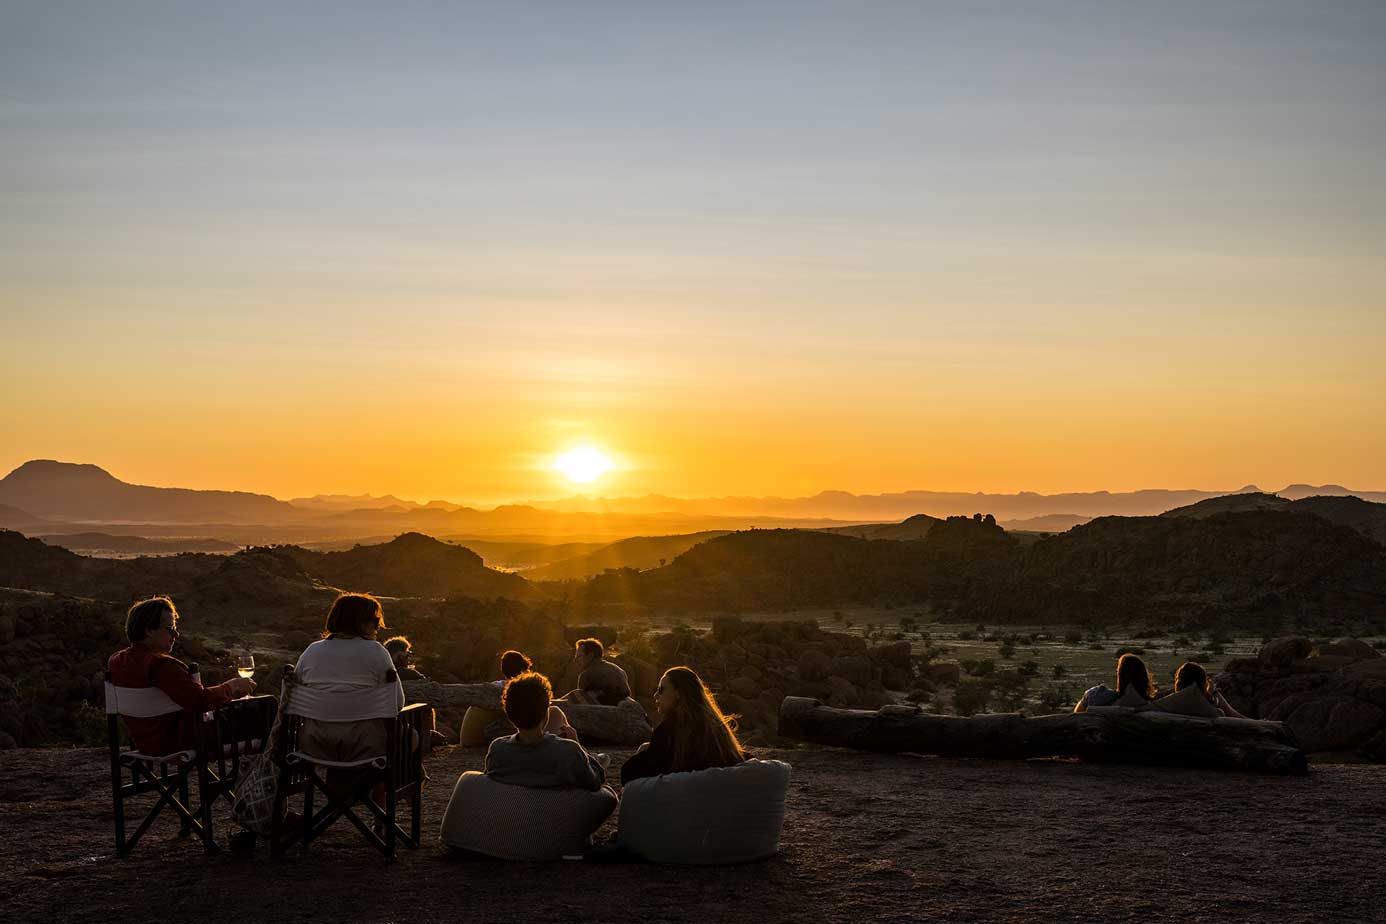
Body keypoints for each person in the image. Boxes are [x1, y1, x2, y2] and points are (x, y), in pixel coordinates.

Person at [107, 596, 255, 755]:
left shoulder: (116, 661)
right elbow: (199, 700)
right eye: (170, 628)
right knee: (264, 710)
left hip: (146, 743)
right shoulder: (161, 666)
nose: (176, 634)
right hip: (182, 742)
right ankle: (265, 775)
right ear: (149, 630)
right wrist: (231, 687)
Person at [293, 593, 404, 774]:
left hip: (314, 745)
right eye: (375, 620)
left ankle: (340, 796)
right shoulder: (376, 652)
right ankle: (378, 798)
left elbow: (294, 696)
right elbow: (397, 703)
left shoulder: (311, 651)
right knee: (410, 737)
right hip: (365, 747)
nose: (378, 626)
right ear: (360, 622)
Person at [620, 666, 745, 784]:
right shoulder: (716, 727)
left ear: (679, 693)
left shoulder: (670, 729)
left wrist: (642, 753)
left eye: (661, 690)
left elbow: (627, 774)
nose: (655, 695)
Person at [484, 672, 604, 790]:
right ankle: (596, 757)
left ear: (509, 714)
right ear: (546, 712)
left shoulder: (497, 750)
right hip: (557, 807)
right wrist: (580, 747)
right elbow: (595, 781)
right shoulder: (569, 751)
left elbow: (490, 781)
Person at [460, 650, 573, 747]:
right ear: (524, 669)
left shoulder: (494, 686)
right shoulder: (517, 691)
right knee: (555, 712)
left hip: (468, 738)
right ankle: (563, 742)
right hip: (481, 739)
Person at [1149, 662, 1247, 719]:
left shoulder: (1164, 705)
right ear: (1203, 685)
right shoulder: (1213, 713)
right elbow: (1239, 718)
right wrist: (1214, 693)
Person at [1073, 653, 1157, 712]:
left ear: (1120, 676)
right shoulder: (1152, 706)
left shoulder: (1096, 695)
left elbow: (1076, 716)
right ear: (1144, 678)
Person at [564, 638, 631, 706]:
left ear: (590, 656)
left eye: (579, 657)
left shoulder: (586, 675)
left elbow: (581, 697)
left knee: (575, 695)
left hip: (602, 709)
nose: (575, 661)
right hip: (620, 705)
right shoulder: (617, 669)